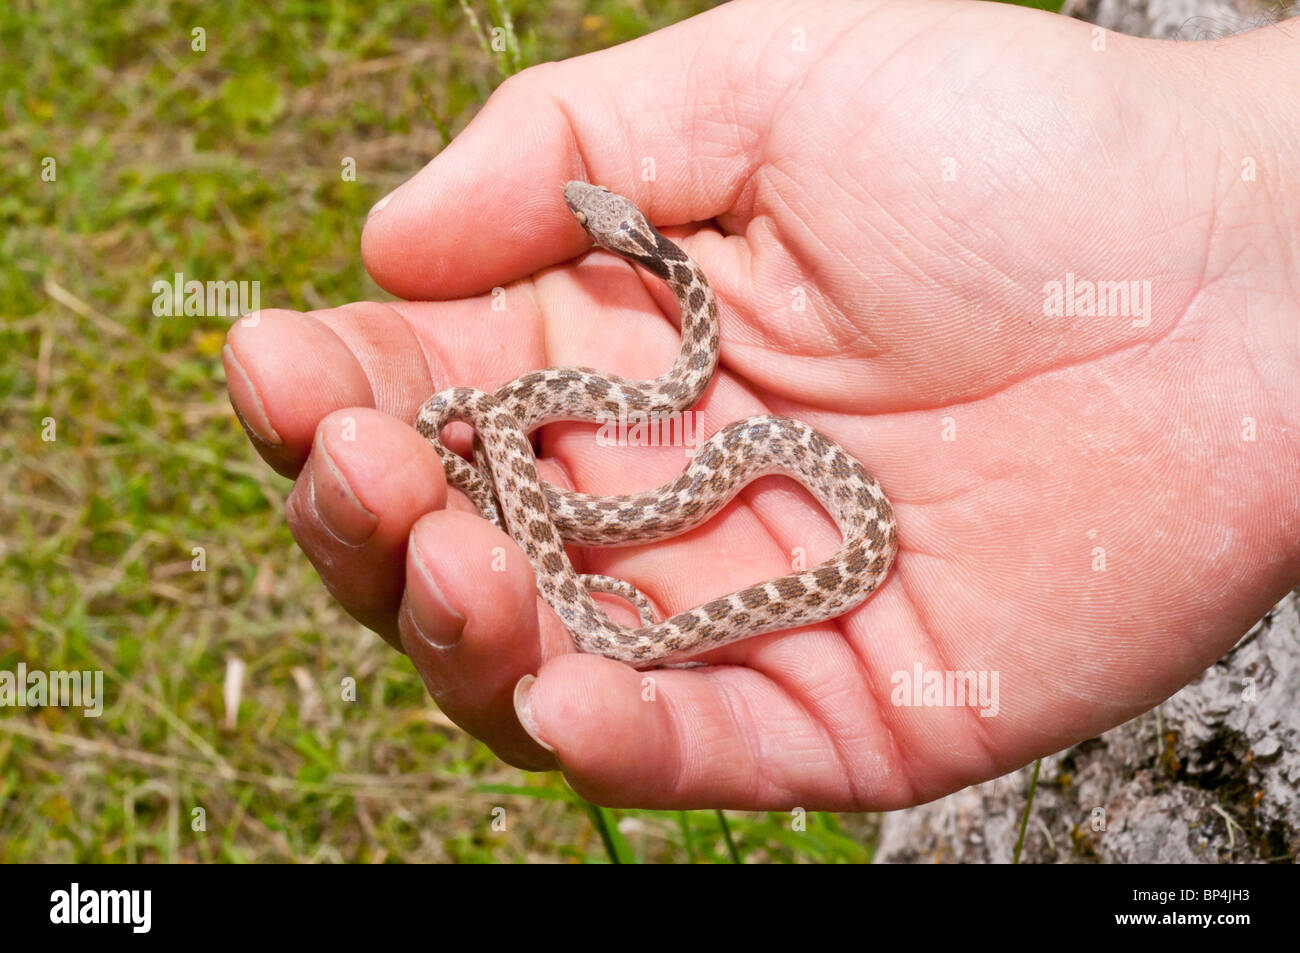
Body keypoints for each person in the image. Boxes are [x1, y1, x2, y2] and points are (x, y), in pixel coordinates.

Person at [223, 0, 1299, 810]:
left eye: (588, 217)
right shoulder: (623, 353)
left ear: (618, 237)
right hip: (572, 490)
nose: (575, 210)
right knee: (511, 512)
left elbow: (685, 385)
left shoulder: (689, 348)